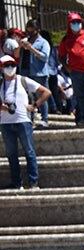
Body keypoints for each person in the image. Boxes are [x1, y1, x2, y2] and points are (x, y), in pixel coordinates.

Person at [2, 55, 49, 190]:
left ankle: (33, 182)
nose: (10, 68)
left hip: (23, 121)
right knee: (11, 154)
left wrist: (35, 105)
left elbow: (46, 92)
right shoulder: (1, 84)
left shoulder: (23, 80)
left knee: (29, 151)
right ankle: (17, 183)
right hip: (5, 122)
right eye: (6, 65)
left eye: (12, 65)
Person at [17, 19, 52, 126]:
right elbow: (17, 55)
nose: (30, 32)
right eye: (28, 30)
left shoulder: (43, 42)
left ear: (37, 30)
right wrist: (20, 46)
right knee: (27, 96)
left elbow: (45, 57)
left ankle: (44, 119)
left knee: (41, 96)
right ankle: (29, 118)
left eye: (32, 30)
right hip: (25, 71)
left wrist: (31, 48)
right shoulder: (26, 40)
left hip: (39, 73)